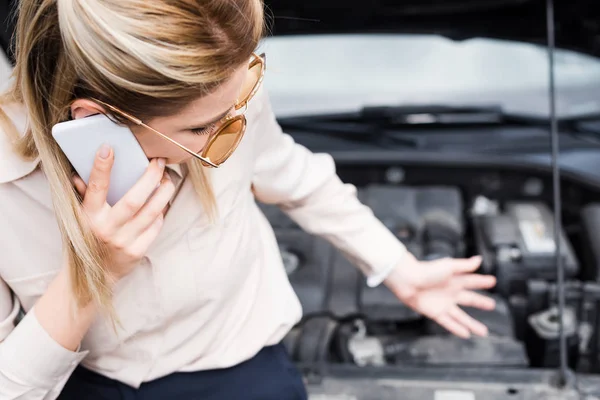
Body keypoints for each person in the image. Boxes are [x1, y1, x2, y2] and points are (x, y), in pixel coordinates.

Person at [0, 0, 497, 399]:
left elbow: (295, 174)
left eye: (243, 98)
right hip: (79, 383)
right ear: (94, 119)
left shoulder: (222, 92)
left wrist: (399, 270)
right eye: (199, 128)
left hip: (243, 370)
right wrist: (95, 273)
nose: (232, 132)